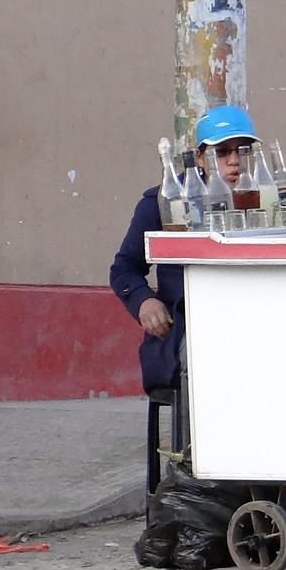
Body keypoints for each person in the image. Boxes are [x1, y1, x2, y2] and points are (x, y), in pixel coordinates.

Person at [109, 105, 257, 394]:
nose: (234, 161)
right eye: (222, 152)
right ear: (199, 158)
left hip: (248, 318)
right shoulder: (164, 202)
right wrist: (144, 302)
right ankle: (197, 440)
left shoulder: (263, 199)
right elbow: (124, 268)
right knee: (205, 357)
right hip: (187, 325)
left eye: (243, 151)